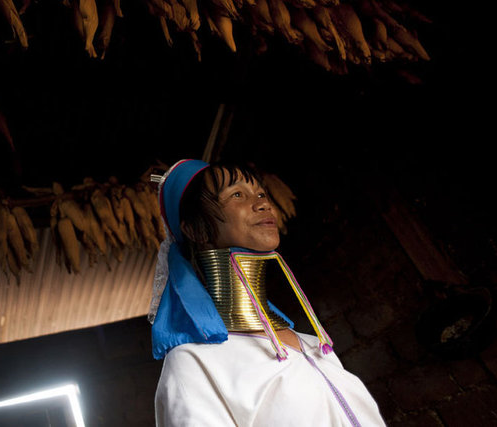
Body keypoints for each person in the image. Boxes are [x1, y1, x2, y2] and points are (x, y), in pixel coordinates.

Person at [148, 159, 385, 426]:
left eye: (261, 194)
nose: (263, 204)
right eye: (237, 195)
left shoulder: (314, 344)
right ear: (194, 229)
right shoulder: (194, 362)